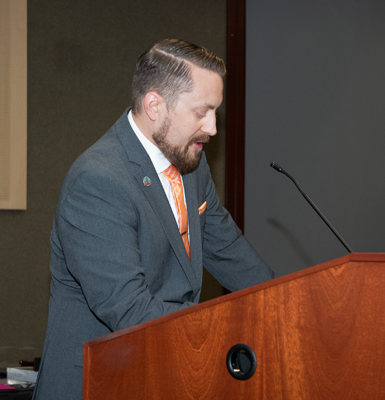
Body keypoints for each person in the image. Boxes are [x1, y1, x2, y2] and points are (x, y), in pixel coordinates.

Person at [32, 39, 275, 400]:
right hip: (99, 384)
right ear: (155, 105)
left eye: (216, 113)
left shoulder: (192, 167)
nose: (212, 128)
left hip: (162, 375)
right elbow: (130, 310)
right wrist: (220, 333)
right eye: (201, 112)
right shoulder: (98, 180)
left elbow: (231, 252)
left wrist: (286, 309)